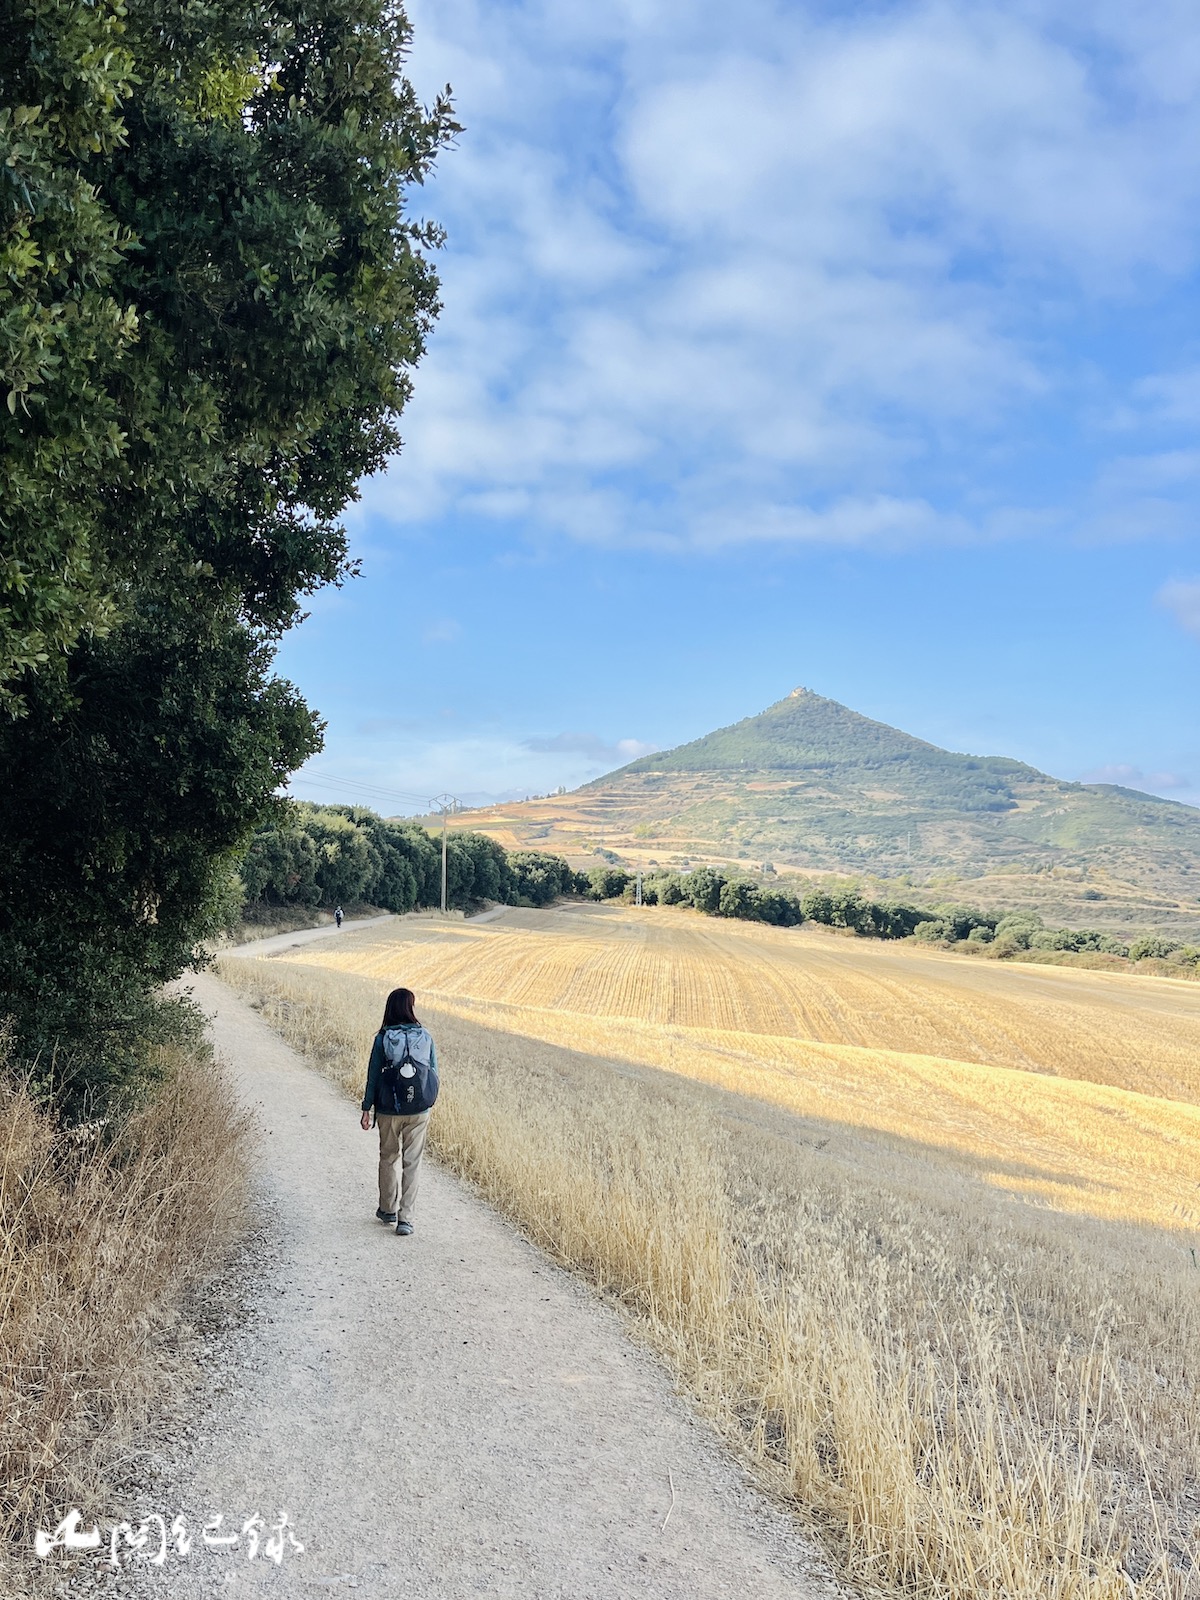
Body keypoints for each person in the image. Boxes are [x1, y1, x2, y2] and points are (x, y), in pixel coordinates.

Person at [360, 987, 439, 1236]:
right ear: (410, 1007)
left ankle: (387, 1210)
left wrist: (366, 1109)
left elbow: (373, 1076)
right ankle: (406, 1219)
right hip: (419, 1109)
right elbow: (434, 1074)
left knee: (388, 1158)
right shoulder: (425, 1036)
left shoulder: (383, 1038)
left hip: (388, 1109)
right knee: (412, 1163)